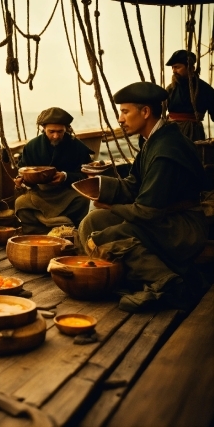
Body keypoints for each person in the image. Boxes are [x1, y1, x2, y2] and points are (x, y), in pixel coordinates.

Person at [77, 82, 208, 312]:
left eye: (125, 111)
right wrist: (100, 186)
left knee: (106, 238)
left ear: (145, 112)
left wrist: (110, 206)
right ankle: (127, 278)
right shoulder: (153, 141)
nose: (120, 119)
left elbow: (148, 212)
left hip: (181, 228)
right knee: (92, 222)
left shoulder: (166, 150)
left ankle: (169, 284)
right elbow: (133, 185)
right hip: (162, 220)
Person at [14, 107, 94, 235]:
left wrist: (66, 176)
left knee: (82, 200)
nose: (56, 136)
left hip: (67, 193)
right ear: (43, 129)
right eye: (51, 131)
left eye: (60, 131)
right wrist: (21, 182)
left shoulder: (77, 147)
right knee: (21, 203)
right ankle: (40, 232)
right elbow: (22, 170)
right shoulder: (32, 146)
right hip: (40, 193)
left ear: (66, 129)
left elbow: (87, 175)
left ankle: (70, 232)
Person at [165, 49, 214, 141]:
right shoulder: (170, 89)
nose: (174, 71)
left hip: (193, 134)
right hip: (171, 132)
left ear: (191, 68)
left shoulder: (205, 89)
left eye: (177, 67)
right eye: (173, 68)